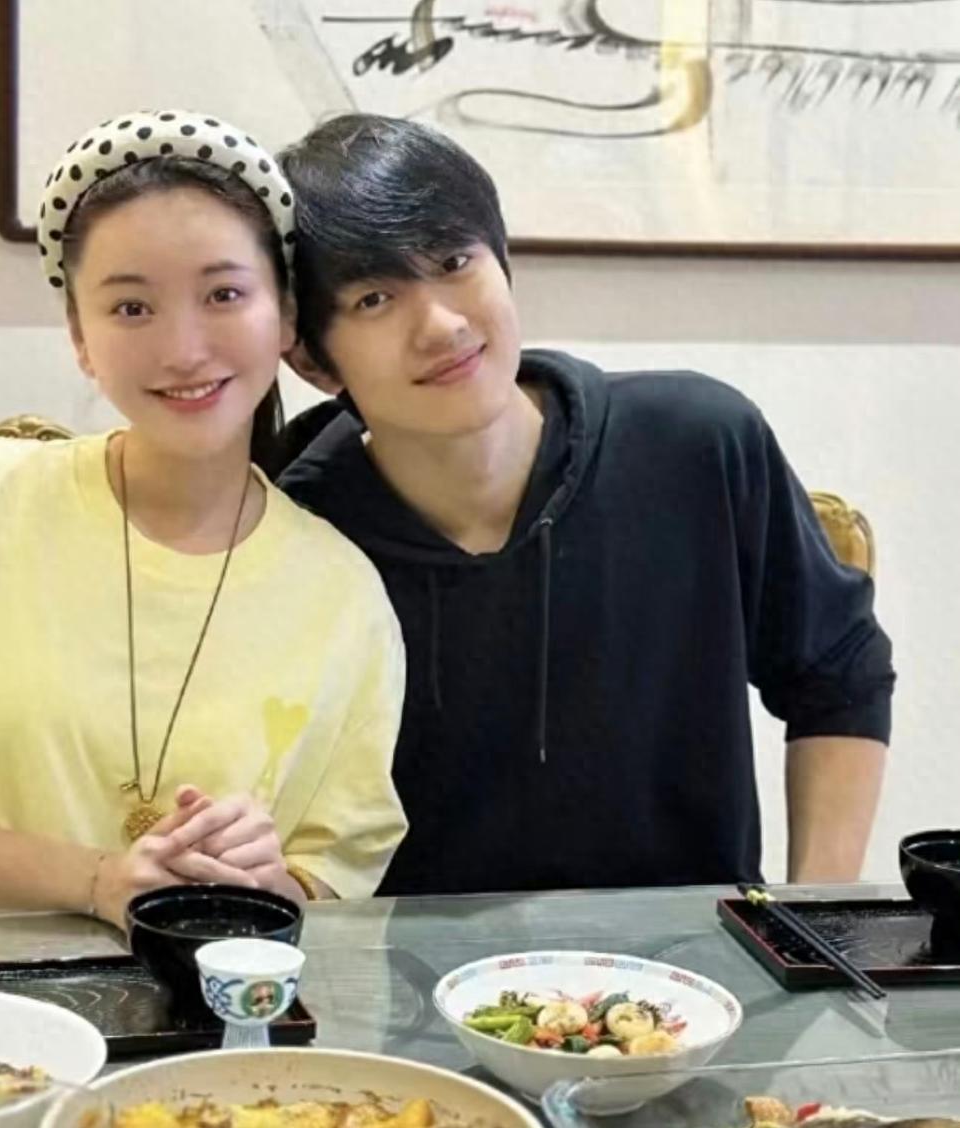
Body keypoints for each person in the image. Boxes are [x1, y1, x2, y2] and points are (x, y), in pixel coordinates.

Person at [274, 113, 894, 897]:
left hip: (690, 958)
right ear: (311, 358)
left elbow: (839, 672)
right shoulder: (290, 526)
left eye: (455, 261)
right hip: (401, 963)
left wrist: (813, 918)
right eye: (373, 299)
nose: (441, 324)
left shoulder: (696, 443)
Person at [0, 110, 407, 927]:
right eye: (132, 308)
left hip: (216, 993)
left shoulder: (343, 593)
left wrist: (266, 877)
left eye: (223, 294)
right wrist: (101, 879)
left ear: (284, 315)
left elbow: (330, 875)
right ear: (80, 336)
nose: (183, 349)